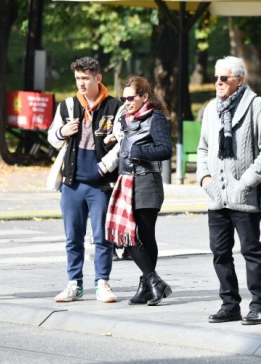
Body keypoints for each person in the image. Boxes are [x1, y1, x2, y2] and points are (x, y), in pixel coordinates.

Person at [197, 56, 261, 324]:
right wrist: (205, 180)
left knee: (251, 252)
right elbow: (203, 148)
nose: (218, 83)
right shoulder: (211, 108)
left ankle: (259, 307)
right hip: (216, 197)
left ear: (239, 80)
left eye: (224, 78)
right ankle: (230, 304)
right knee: (220, 253)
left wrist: (246, 182)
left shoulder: (256, 106)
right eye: (216, 78)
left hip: (244, 195)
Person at [47, 57, 123, 303]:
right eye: (78, 78)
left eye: (86, 78)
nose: (81, 83)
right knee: (73, 237)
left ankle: (103, 283)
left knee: (102, 237)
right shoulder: (67, 106)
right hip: (72, 182)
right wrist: (62, 132)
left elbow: (122, 143)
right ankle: (74, 283)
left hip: (100, 183)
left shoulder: (115, 107)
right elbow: (52, 138)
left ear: (98, 78)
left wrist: (104, 167)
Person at [105, 76, 172, 306]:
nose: (127, 102)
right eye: (124, 98)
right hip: (126, 182)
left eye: (131, 97)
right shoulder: (125, 119)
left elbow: (165, 150)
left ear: (144, 96)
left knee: (143, 236)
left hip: (146, 182)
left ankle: (148, 285)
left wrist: (138, 151)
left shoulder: (156, 118)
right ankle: (153, 282)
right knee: (128, 235)